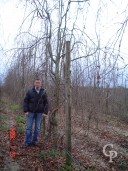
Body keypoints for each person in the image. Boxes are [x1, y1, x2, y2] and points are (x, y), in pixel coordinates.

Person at [23, 78, 49, 147]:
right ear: (34, 83)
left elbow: (46, 103)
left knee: (37, 128)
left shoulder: (43, 92)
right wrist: (25, 110)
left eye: (39, 83)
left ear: (41, 84)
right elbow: (25, 101)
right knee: (29, 128)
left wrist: (45, 112)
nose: (37, 84)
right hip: (30, 112)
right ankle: (27, 142)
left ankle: (34, 141)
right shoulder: (30, 91)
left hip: (39, 113)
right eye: (36, 82)